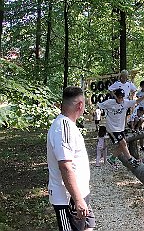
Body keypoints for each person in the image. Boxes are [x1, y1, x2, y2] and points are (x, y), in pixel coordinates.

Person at [47, 86, 95, 231]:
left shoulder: (69, 125)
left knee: (89, 226)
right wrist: (78, 200)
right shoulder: (63, 128)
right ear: (80, 105)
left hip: (79, 194)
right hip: (68, 199)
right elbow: (65, 166)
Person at [97, 88, 144, 168]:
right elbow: (99, 105)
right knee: (123, 143)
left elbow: (136, 101)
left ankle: (112, 158)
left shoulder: (125, 103)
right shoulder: (109, 103)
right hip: (112, 128)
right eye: (119, 97)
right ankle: (130, 160)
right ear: (116, 96)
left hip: (120, 128)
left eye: (122, 97)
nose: (121, 99)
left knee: (123, 145)